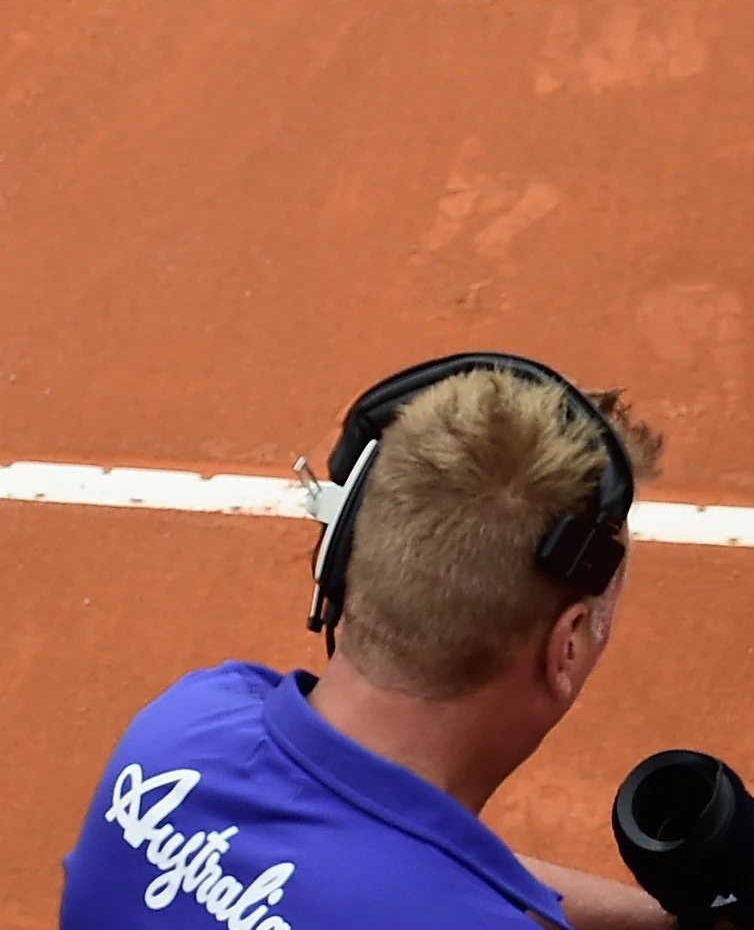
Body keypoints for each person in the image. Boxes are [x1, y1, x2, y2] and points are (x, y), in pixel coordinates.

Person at [59, 354, 674, 930]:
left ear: (348, 550)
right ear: (565, 646)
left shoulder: (184, 730)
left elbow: (379, 866)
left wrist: (667, 921)